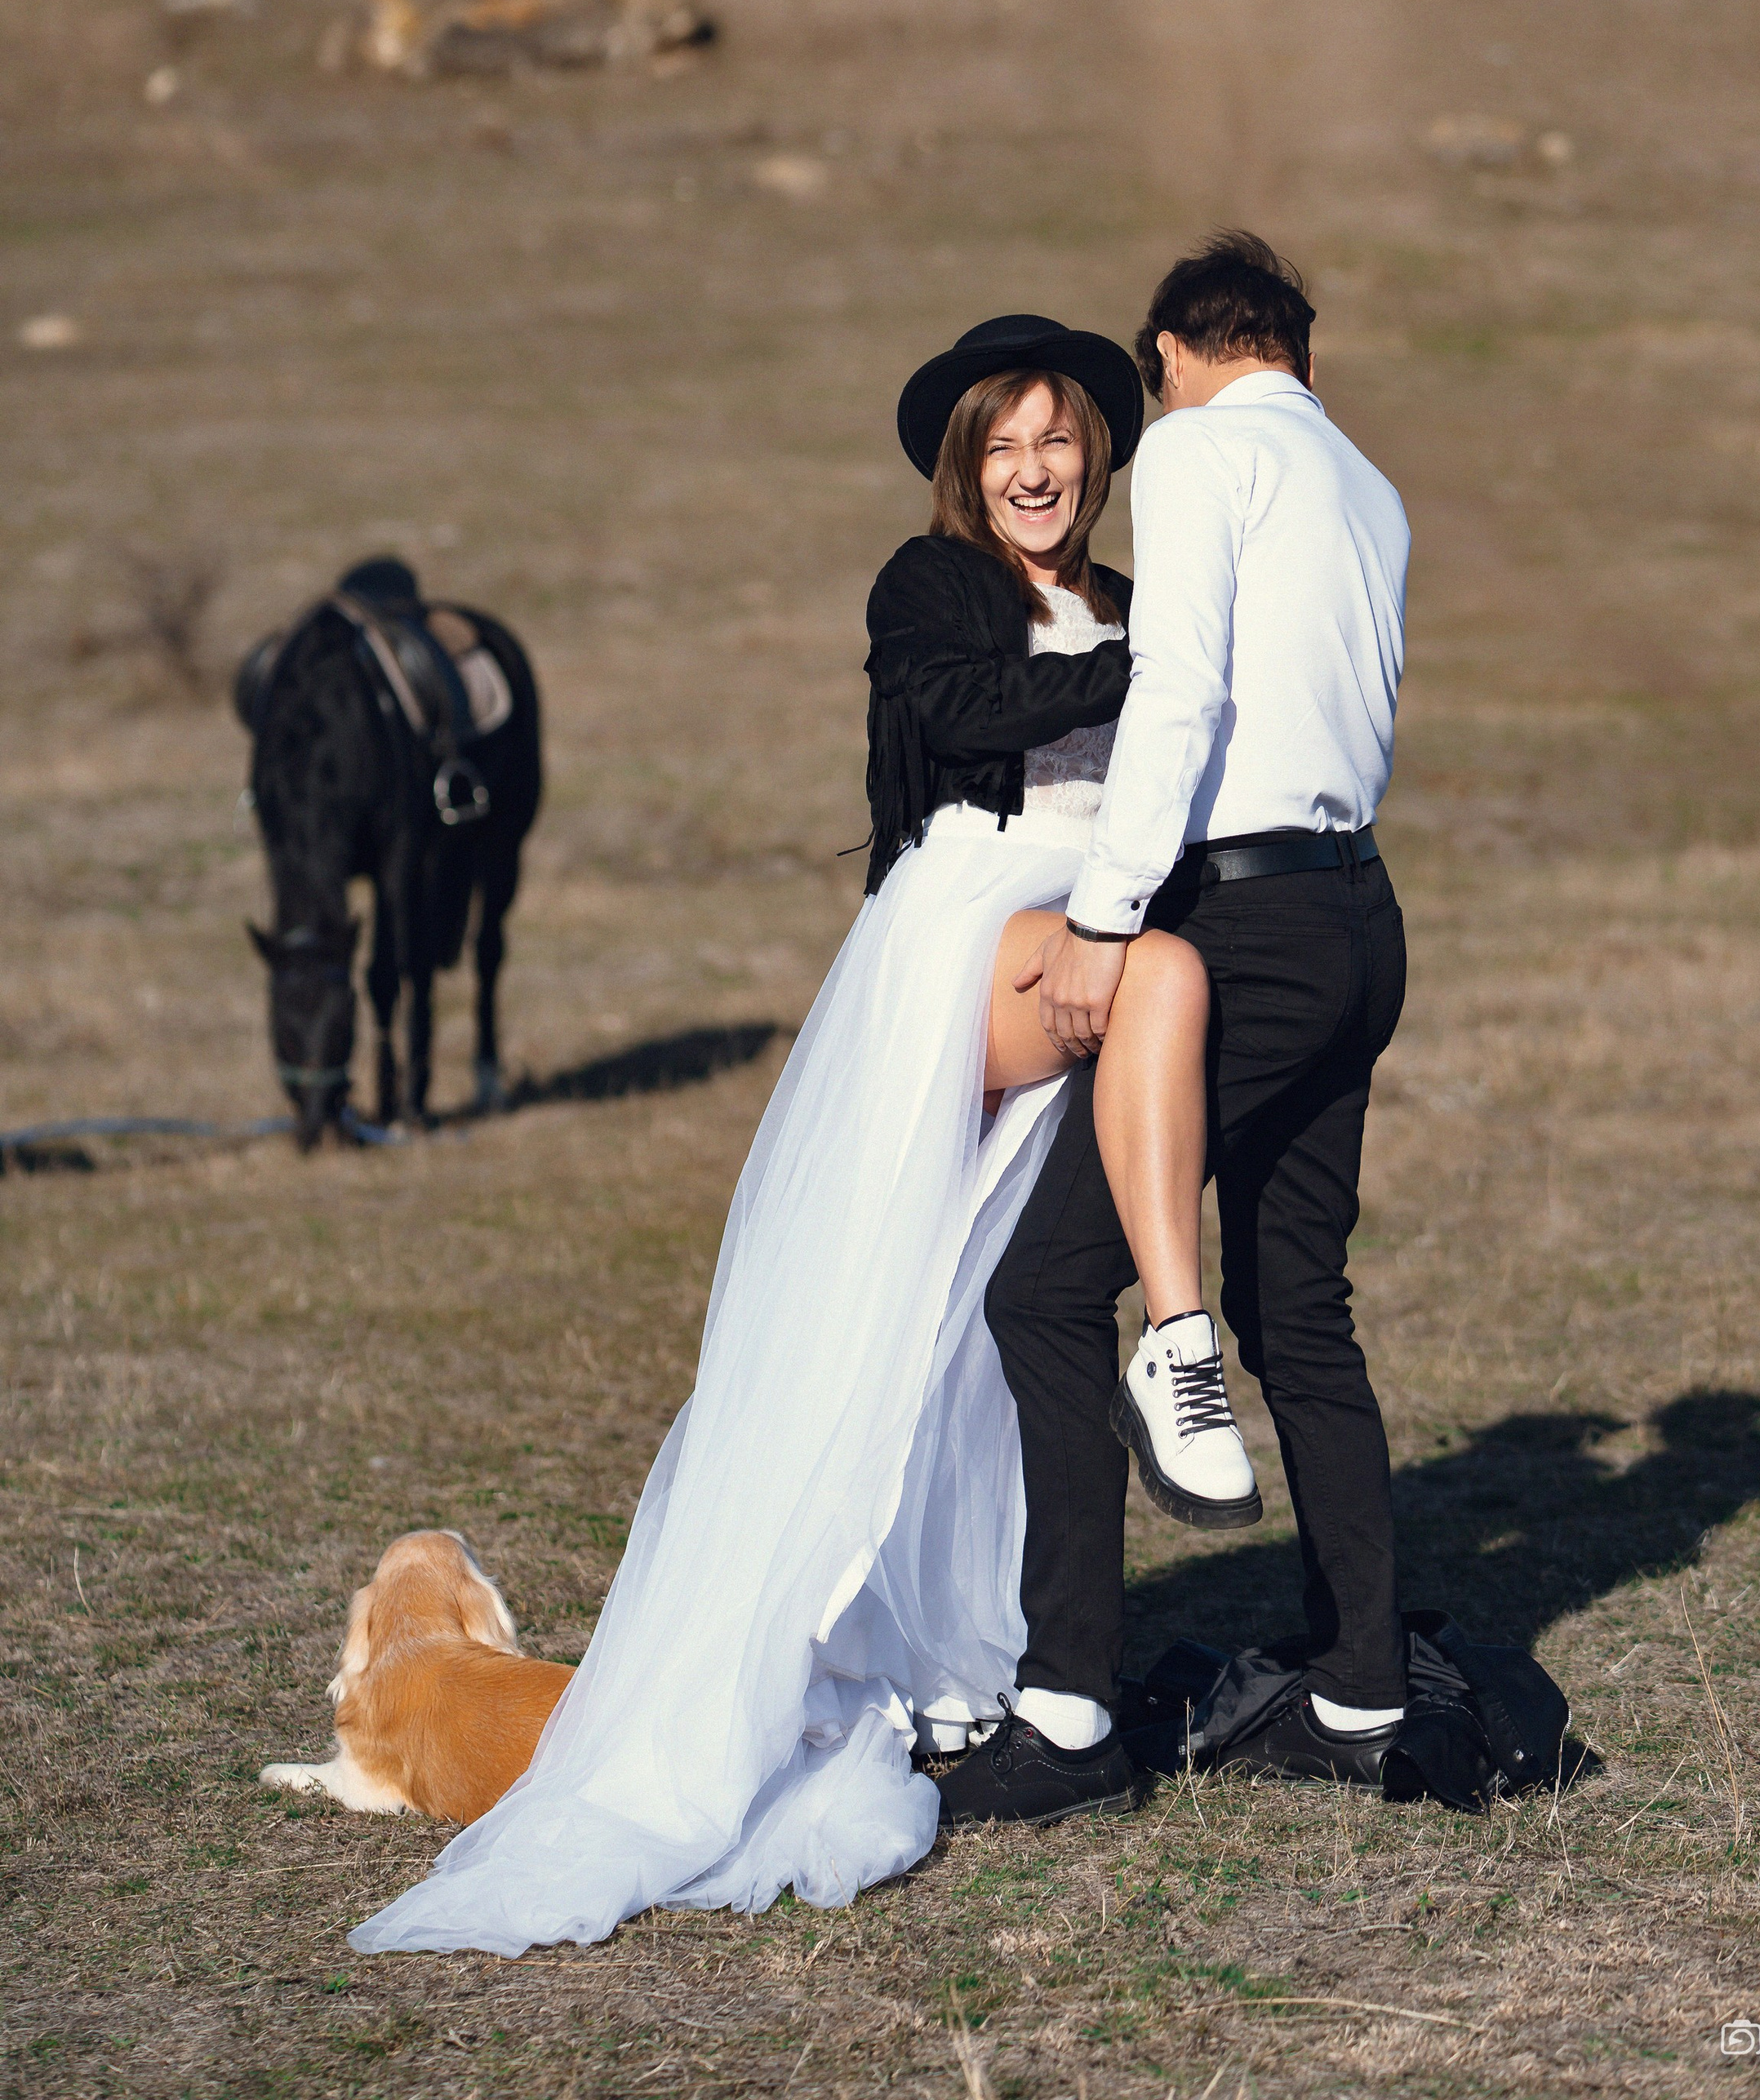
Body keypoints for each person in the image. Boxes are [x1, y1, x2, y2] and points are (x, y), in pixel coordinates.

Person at [348, 310, 1239, 1954]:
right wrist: (1176, 665)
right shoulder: (933, 596)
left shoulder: (1131, 598)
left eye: (1057, 439)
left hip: (1083, 930)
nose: (1035, 467)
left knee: (957, 1338)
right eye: (1003, 446)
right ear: (968, 473)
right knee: (1156, 976)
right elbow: (977, 721)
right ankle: (1180, 1343)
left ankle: (994, 1623)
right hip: (969, 935)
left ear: (1095, 455)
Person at [941, 233, 1414, 1830]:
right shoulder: (1365, 486)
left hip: (1247, 922)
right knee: (1303, 1309)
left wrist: (1104, 918)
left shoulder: (1207, 451)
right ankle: (1358, 1692)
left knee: (1045, 1289)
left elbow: (1186, 696)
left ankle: (1068, 1713)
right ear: (1295, 340)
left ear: (1168, 357)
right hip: (1359, 914)